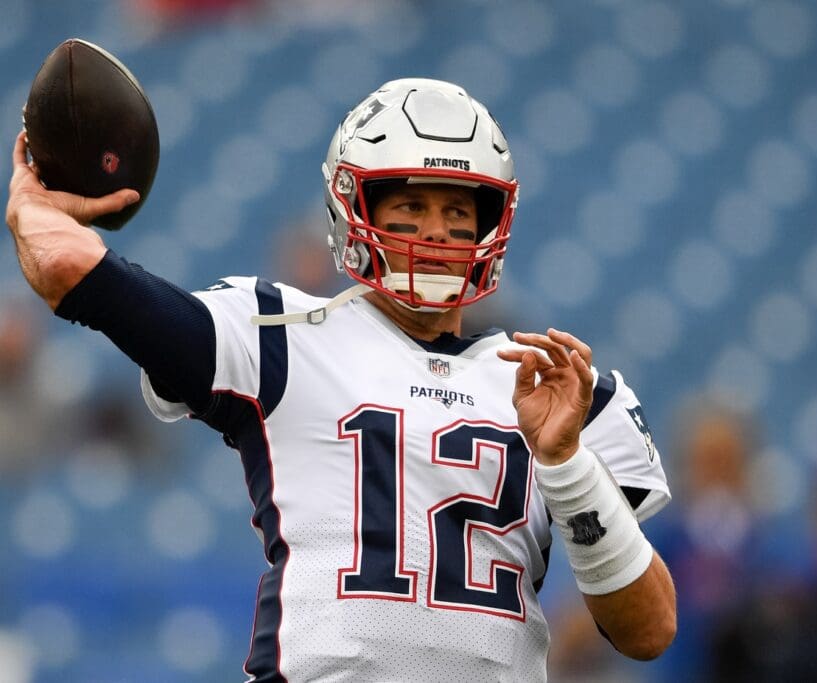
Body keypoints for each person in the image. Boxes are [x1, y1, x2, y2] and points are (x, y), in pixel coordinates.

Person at [6, 78, 676, 682]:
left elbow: (648, 631)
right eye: (409, 205)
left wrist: (566, 463)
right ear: (357, 208)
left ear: (491, 221)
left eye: (457, 208)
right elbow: (68, 267)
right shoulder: (281, 333)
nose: (436, 229)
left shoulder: (560, 391)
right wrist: (37, 209)